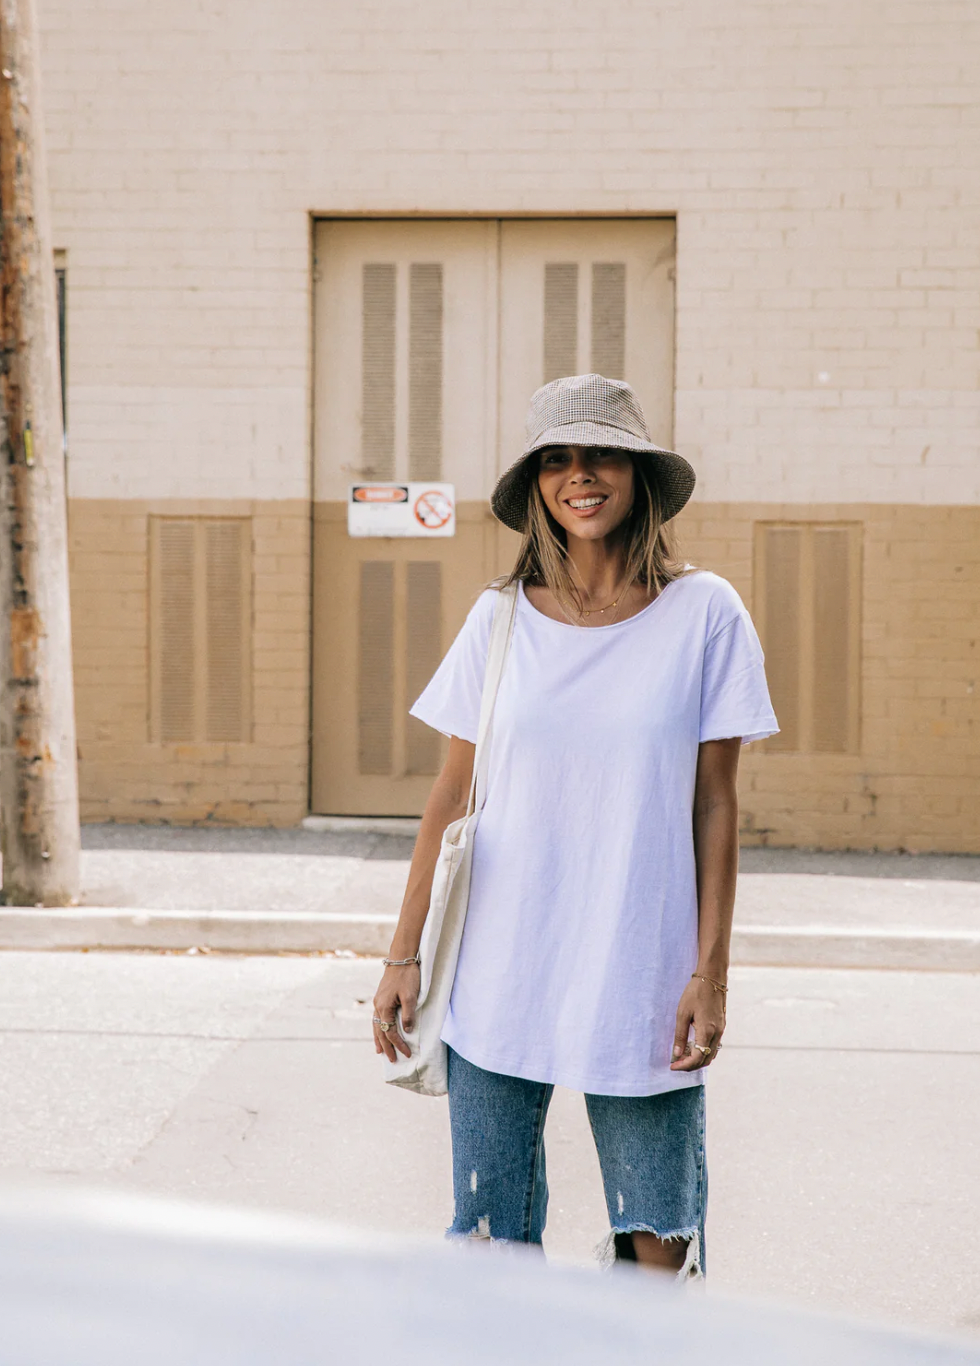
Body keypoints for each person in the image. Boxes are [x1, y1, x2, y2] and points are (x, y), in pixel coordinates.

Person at [373, 373, 778, 1278]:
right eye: (556, 459)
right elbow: (452, 795)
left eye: (602, 456)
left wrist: (710, 974)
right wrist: (403, 955)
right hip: (498, 970)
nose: (579, 475)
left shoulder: (705, 613)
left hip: (640, 973)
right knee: (488, 1242)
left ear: (638, 476)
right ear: (536, 487)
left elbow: (715, 804)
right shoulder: (499, 618)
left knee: (658, 1246)